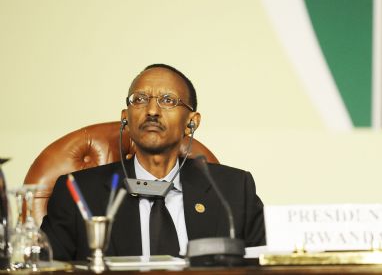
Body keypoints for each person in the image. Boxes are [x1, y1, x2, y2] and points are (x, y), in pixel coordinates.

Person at [40, 64, 265, 261]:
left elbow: (266, 265)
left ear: (191, 122)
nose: (152, 111)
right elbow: (46, 269)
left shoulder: (234, 190)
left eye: (168, 100)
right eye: (139, 100)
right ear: (125, 118)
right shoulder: (78, 191)